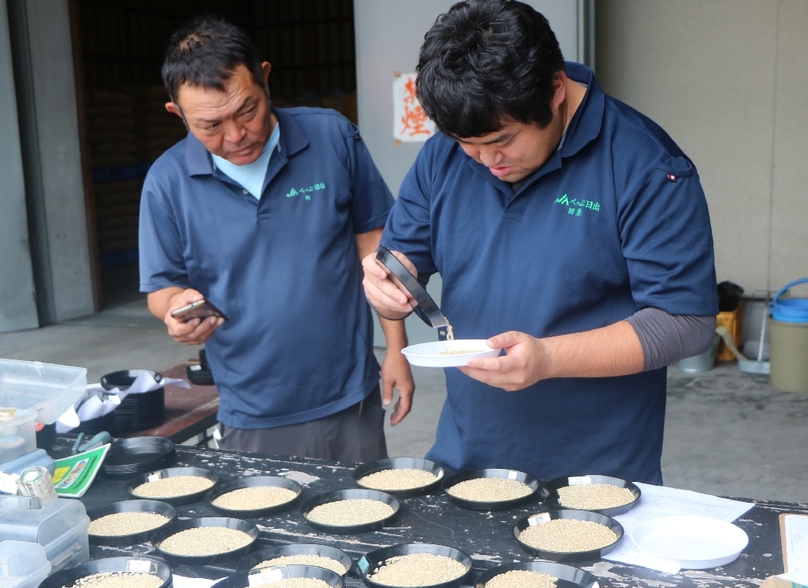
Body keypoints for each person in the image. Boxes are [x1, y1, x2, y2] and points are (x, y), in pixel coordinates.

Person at [362, 0, 717, 484]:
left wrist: (549, 359)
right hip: (469, 460)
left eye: (502, 141)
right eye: (469, 145)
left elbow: (685, 320)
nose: (486, 160)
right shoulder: (446, 155)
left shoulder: (645, 165)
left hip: (596, 476)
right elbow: (403, 260)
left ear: (554, 89)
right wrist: (386, 286)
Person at [140, 15, 413, 463]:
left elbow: (376, 247)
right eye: (209, 126)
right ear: (178, 114)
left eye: (247, 109)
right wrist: (175, 310)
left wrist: (397, 350)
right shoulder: (166, 183)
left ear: (265, 77)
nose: (235, 136)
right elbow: (161, 285)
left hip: (349, 395)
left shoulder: (331, 137)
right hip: (252, 409)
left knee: (366, 520)